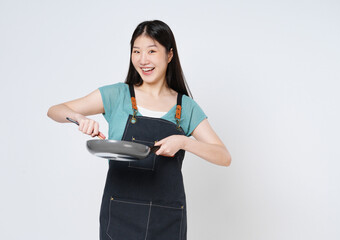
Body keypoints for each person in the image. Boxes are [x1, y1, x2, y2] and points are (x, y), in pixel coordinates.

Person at [47, 20, 231, 240]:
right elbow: (55, 110)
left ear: (169, 55)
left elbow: (224, 156)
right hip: (119, 216)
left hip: (167, 217)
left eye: (151, 51)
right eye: (137, 51)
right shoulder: (117, 95)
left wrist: (184, 142)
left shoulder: (186, 107)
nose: (143, 60)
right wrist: (77, 117)